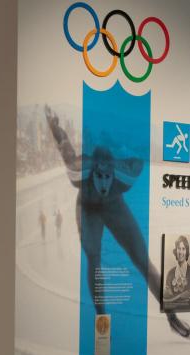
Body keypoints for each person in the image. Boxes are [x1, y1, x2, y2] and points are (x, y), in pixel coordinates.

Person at [45, 106, 190, 337]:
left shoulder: (126, 174)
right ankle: (101, 322)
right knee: (94, 259)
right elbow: (66, 147)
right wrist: (55, 127)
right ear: (91, 172)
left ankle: (172, 317)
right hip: (88, 208)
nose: (103, 182)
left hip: (115, 206)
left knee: (143, 261)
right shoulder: (79, 171)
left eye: (107, 176)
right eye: (98, 176)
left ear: (115, 173)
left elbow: (142, 150)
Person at [164, 236, 190, 308]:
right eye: (179, 248)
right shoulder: (170, 273)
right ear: (176, 251)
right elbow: (166, 298)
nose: (181, 252)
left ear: (187, 251)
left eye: (183, 249)